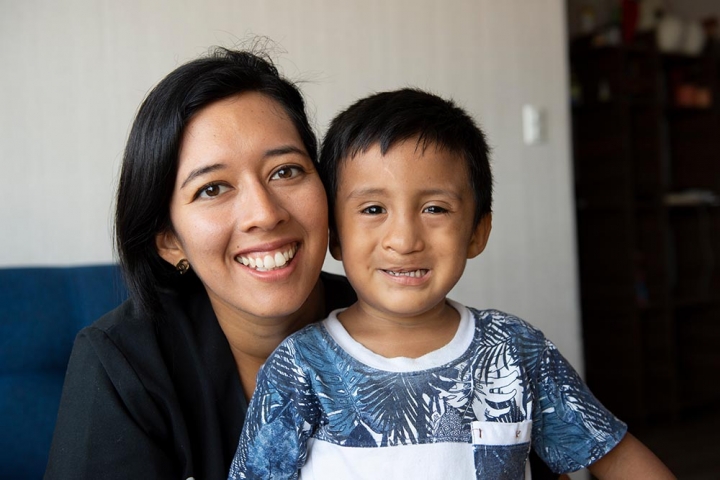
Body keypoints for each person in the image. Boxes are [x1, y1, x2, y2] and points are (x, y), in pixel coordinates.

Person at [228, 89, 675, 479]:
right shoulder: (300, 366)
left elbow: (615, 458)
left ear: (477, 232)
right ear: (335, 236)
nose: (403, 240)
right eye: (372, 210)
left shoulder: (514, 350)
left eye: (435, 209)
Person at [44, 47, 357, 480]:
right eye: (212, 189)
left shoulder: (397, 323)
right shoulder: (122, 362)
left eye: (285, 171)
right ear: (170, 241)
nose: (264, 214)